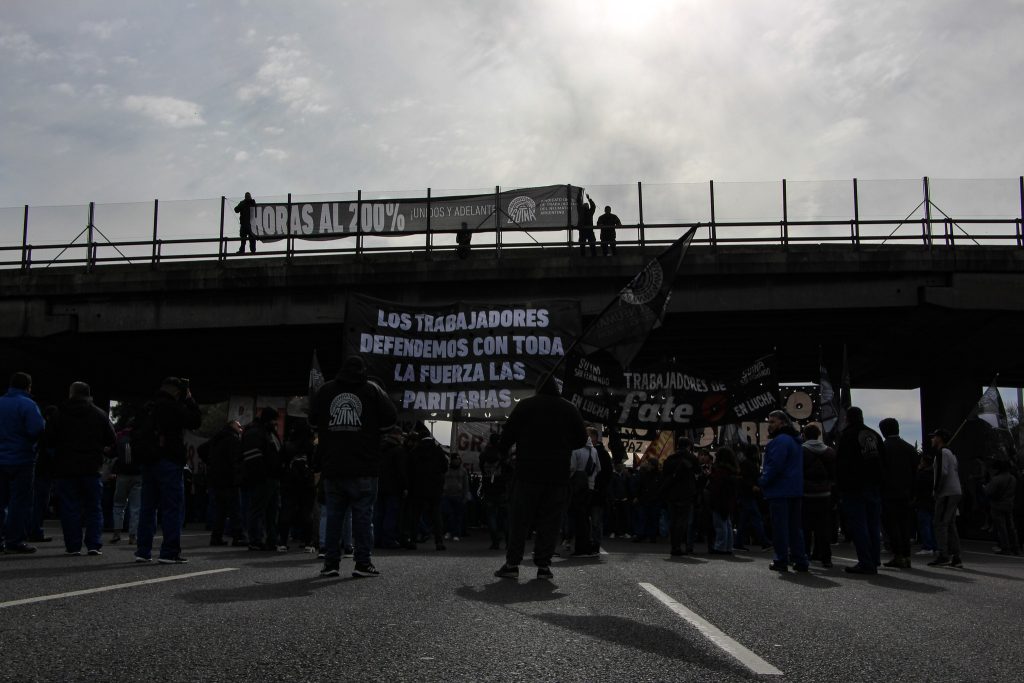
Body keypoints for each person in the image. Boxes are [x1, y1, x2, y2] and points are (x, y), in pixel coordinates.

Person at [310, 355, 398, 578]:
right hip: (364, 466)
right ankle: (362, 563)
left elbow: (312, 420)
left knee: (333, 518)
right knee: (362, 518)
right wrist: (371, 431)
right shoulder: (373, 390)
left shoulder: (326, 391)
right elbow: (390, 420)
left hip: (333, 466)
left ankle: (330, 564)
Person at [494, 376, 587, 581]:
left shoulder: (526, 406)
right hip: (557, 475)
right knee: (550, 521)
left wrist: (503, 455)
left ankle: (512, 564)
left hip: (527, 472)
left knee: (520, 520)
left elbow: (506, 436)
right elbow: (582, 439)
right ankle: (543, 565)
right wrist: (563, 446)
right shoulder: (569, 408)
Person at [134, 377, 201, 564]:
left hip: (148, 462)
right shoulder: (173, 407)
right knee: (172, 507)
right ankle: (169, 552)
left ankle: (143, 551)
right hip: (169, 461)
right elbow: (196, 421)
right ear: (178, 392)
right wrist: (190, 400)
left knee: (148, 508)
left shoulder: (148, 407)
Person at [47, 381, 116, 556]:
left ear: (71, 393)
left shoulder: (59, 413)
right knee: (94, 507)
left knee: (70, 507)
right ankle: (93, 544)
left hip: (65, 467)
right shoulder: (99, 414)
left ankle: (73, 546)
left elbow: (48, 439)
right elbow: (111, 439)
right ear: (88, 394)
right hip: (91, 467)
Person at [0, 372, 46, 554]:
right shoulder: (28, 404)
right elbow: (37, 429)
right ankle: (14, 541)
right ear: (28, 386)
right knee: (19, 502)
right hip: (21, 459)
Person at [835, 406, 884, 575]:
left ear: (847, 418)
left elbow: (842, 463)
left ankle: (865, 561)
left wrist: (840, 487)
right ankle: (875, 558)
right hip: (873, 486)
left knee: (859, 525)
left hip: (854, 487)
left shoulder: (848, 436)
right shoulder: (875, 435)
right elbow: (883, 462)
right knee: (873, 525)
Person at [759, 410, 808, 573]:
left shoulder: (779, 442)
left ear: (783, 423)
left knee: (780, 527)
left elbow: (774, 466)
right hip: (795, 489)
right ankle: (800, 559)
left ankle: (781, 559)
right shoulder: (796, 442)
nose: (769, 425)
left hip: (779, 490)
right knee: (795, 528)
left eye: (773, 422)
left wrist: (762, 482)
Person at [879, 417, 919, 569]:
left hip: (888, 493)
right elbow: (916, 473)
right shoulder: (909, 448)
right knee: (904, 525)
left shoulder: (883, 448)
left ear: (883, 431)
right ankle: (907, 556)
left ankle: (898, 555)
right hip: (906, 493)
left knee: (891, 526)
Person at [241, 408, 283, 551]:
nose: (275, 423)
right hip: (262, 478)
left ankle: (270, 539)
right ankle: (256, 540)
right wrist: (262, 475)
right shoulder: (257, 433)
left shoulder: (267, 432)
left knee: (271, 511)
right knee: (259, 510)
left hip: (271, 477)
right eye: (274, 420)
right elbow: (253, 458)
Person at [199, 420, 246, 547]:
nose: (241, 428)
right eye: (239, 426)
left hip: (216, 478)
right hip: (229, 479)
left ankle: (216, 537)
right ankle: (238, 536)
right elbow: (235, 460)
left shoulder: (216, 439)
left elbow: (201, 449)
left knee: (220, 510)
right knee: (235, 509)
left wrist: (211, 462)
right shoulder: (233, 440)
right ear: (232, 427)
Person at [927, 429, 963, 568]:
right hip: (955, 490)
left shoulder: (942, 453)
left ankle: (943, 554)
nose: (932, 439)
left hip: (946, 492)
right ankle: (956, 556)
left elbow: (942, 472)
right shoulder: (952, 453)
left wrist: (936, 491)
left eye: (934, 437)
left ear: (939, 438)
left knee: (940, 523)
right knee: (950, 524)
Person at [801, 424, 836, 568]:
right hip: (825, 493)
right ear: (818, 435)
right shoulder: (829, 452)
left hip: (806, 492)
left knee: (805, 527)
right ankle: (826, 557)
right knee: (823, 527)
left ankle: (805, 555)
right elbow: (834, 474)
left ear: (804, 435)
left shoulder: (801, 451)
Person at [109, 414, 143, 545]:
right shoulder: (140, 438)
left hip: (122, 475)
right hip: (138, 475)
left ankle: (116, 533)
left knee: (118, 504)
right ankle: (132, 536)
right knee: (135, 507)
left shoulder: (119, 437)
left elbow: (111, 453)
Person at [660, 437, 698, 556]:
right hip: (686, 493)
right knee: (682, 521)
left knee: (673, 520)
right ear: (688, 446)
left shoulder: (670, 458)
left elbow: (664, 474)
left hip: (672, 493)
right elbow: (697, 473)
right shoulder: (691, 458)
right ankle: (678, 546)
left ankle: (673, 545)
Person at [568, 433, 600, 556]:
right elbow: (598, 469)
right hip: (590, 487)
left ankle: (580, 547)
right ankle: (587, 545)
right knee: (586, 518)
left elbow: (572, 468)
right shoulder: (594, 451)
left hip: (578, 487)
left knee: (578, 518)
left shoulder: (576, 451)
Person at [478, 433, 510, 550]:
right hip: (501, 487)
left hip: (488, 487)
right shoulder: (502, 454)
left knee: (491, 516)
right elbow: (509, 469)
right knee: (505, 517)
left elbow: (481, 468)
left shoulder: (484, 454)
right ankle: (508, 541)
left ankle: (495, 541)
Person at [984, 454, 1019, 555]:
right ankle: (1016, 547)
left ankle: (1005, 547)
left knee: (1001, 527)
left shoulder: (997, 479)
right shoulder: (1013, 478)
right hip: (1009, 504)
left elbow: (989, 492)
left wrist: (985, 487)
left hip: (997, 505)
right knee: (1011, 527)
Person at [708, 447, 740, 554]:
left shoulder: (719, 471)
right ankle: (728, 546)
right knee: (727, 524)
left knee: (720, 525)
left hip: (719, 500)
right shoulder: (732, 471)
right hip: (729, 500)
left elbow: (716, 488)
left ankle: (720, 547)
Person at [442, 453, 470, 541]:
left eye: (458, 460)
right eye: (455, 459)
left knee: (458, 516)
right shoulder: (446, 469)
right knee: (448, 514)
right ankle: (449, 531)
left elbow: (466, 484)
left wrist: (465, 495)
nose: (457, 461)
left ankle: (456, 533)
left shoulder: (463, 471)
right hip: (447, 495)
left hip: (458, 495)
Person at [576, 189, 597, 257]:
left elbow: (593, 206)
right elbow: (593, 206)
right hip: (587, 230)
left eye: (586, 205)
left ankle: (586, 256)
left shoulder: (582, 211)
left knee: (587, 244)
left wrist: (588, 199)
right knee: (587, 244)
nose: (586, 206)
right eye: (586, 205)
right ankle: (591, 256)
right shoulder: (586, 212)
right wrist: (587, 198)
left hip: (584, 230)